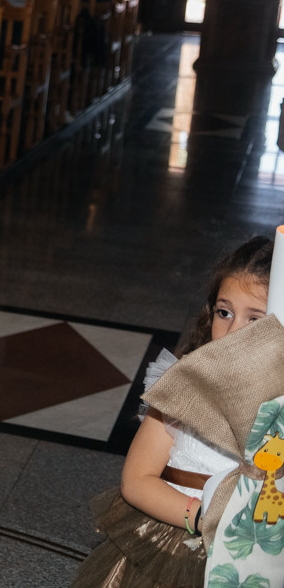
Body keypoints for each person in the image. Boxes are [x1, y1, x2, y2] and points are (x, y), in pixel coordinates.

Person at [73, 236, 269, 588]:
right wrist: (204, 518)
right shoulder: (181, 389)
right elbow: (136, 480)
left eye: (255, 319)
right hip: (173, 543)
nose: (232, 331)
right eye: (224, 312)